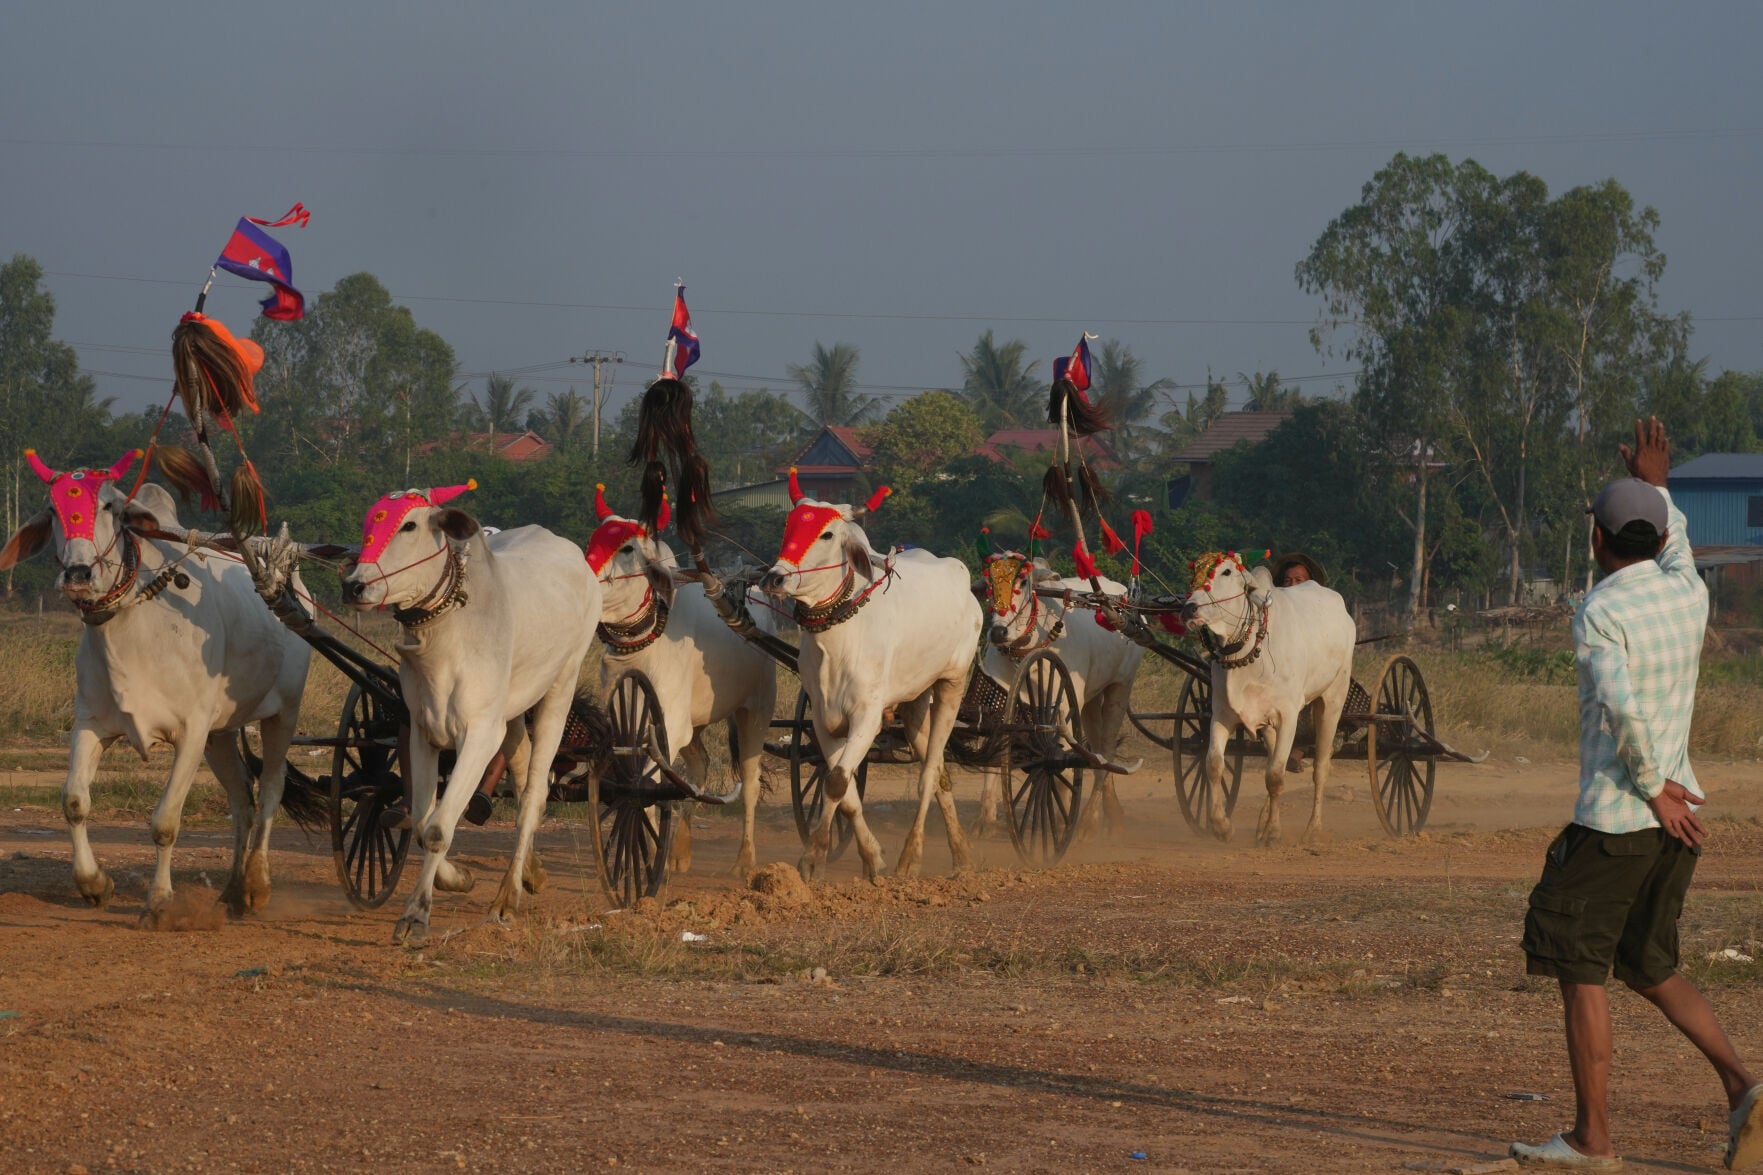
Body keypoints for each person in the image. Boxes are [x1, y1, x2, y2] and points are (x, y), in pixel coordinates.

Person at [1512, 418, 1763, 1171]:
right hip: (1674, 819)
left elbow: (1618, 707)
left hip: (1623, 817)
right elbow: (1673, 537)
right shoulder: (1687, 590)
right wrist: (1659, 484)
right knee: (1650, 963)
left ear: (1596, 541)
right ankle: (1745, 1089)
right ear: (1655, 539)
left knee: (1578, 966)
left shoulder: (1598, 611)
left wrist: (1652, 788)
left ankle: (1593, 1139)